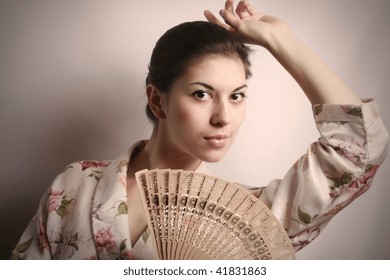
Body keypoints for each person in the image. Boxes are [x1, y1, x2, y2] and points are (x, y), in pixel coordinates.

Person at [11, 0, 388, 260]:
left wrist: (281, 40)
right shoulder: (75, 186)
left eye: (237, 96)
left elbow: (359, 148)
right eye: (202, 94)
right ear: (158, 102)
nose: (224, 117)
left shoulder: (248, 216)